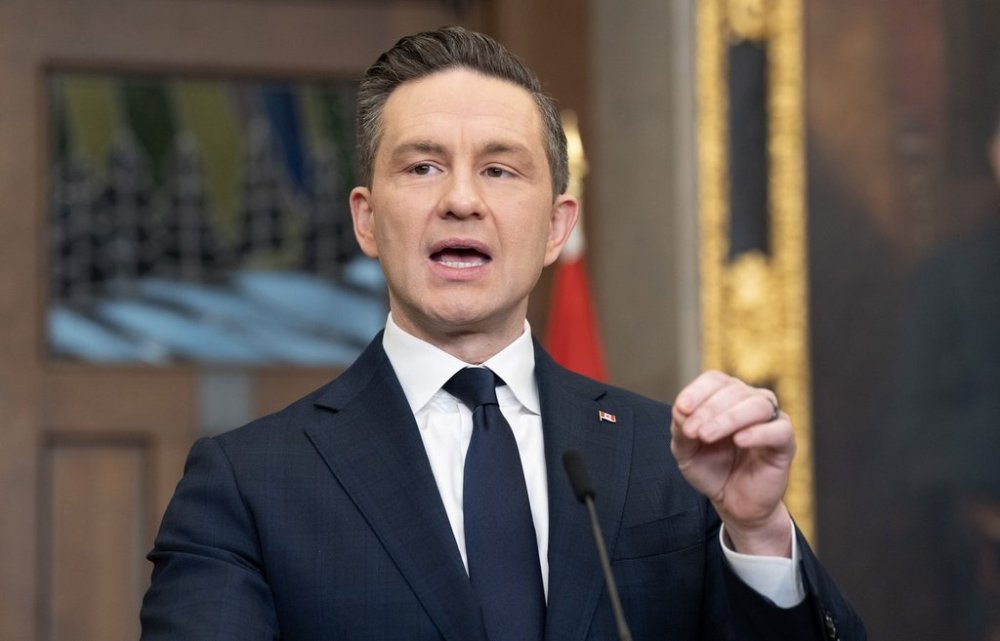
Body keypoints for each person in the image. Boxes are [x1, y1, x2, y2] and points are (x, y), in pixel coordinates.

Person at [140, 26, 864, 640]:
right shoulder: (248, 484)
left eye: (499, 169)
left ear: (556, 226)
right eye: (423, 166)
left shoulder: (671, 464)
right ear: (366, 218)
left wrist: (760, 534)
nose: (461, 200)